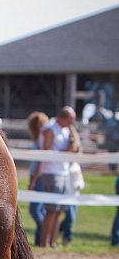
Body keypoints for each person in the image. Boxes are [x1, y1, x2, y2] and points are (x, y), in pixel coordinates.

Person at [29, 106, 79, 247]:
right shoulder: (50, 129)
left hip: (63, 171)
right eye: (70, 121)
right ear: (64, 118)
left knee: (58, 211)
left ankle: (53, 242)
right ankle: (44, 242)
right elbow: (46, 151)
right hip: (51, 172)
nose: (71, 124)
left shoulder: (66, 129)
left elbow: (75, 147)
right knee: (51, 210)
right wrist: (65, 151)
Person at [26, 111, 49, 246]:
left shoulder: (41, 139)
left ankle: (43, 233)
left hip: (39, 176)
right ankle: (41, 236)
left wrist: (33, 180)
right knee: (39, 209)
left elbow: (40, 162)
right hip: (37, 175)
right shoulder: (40, 138)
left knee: (35, 209)